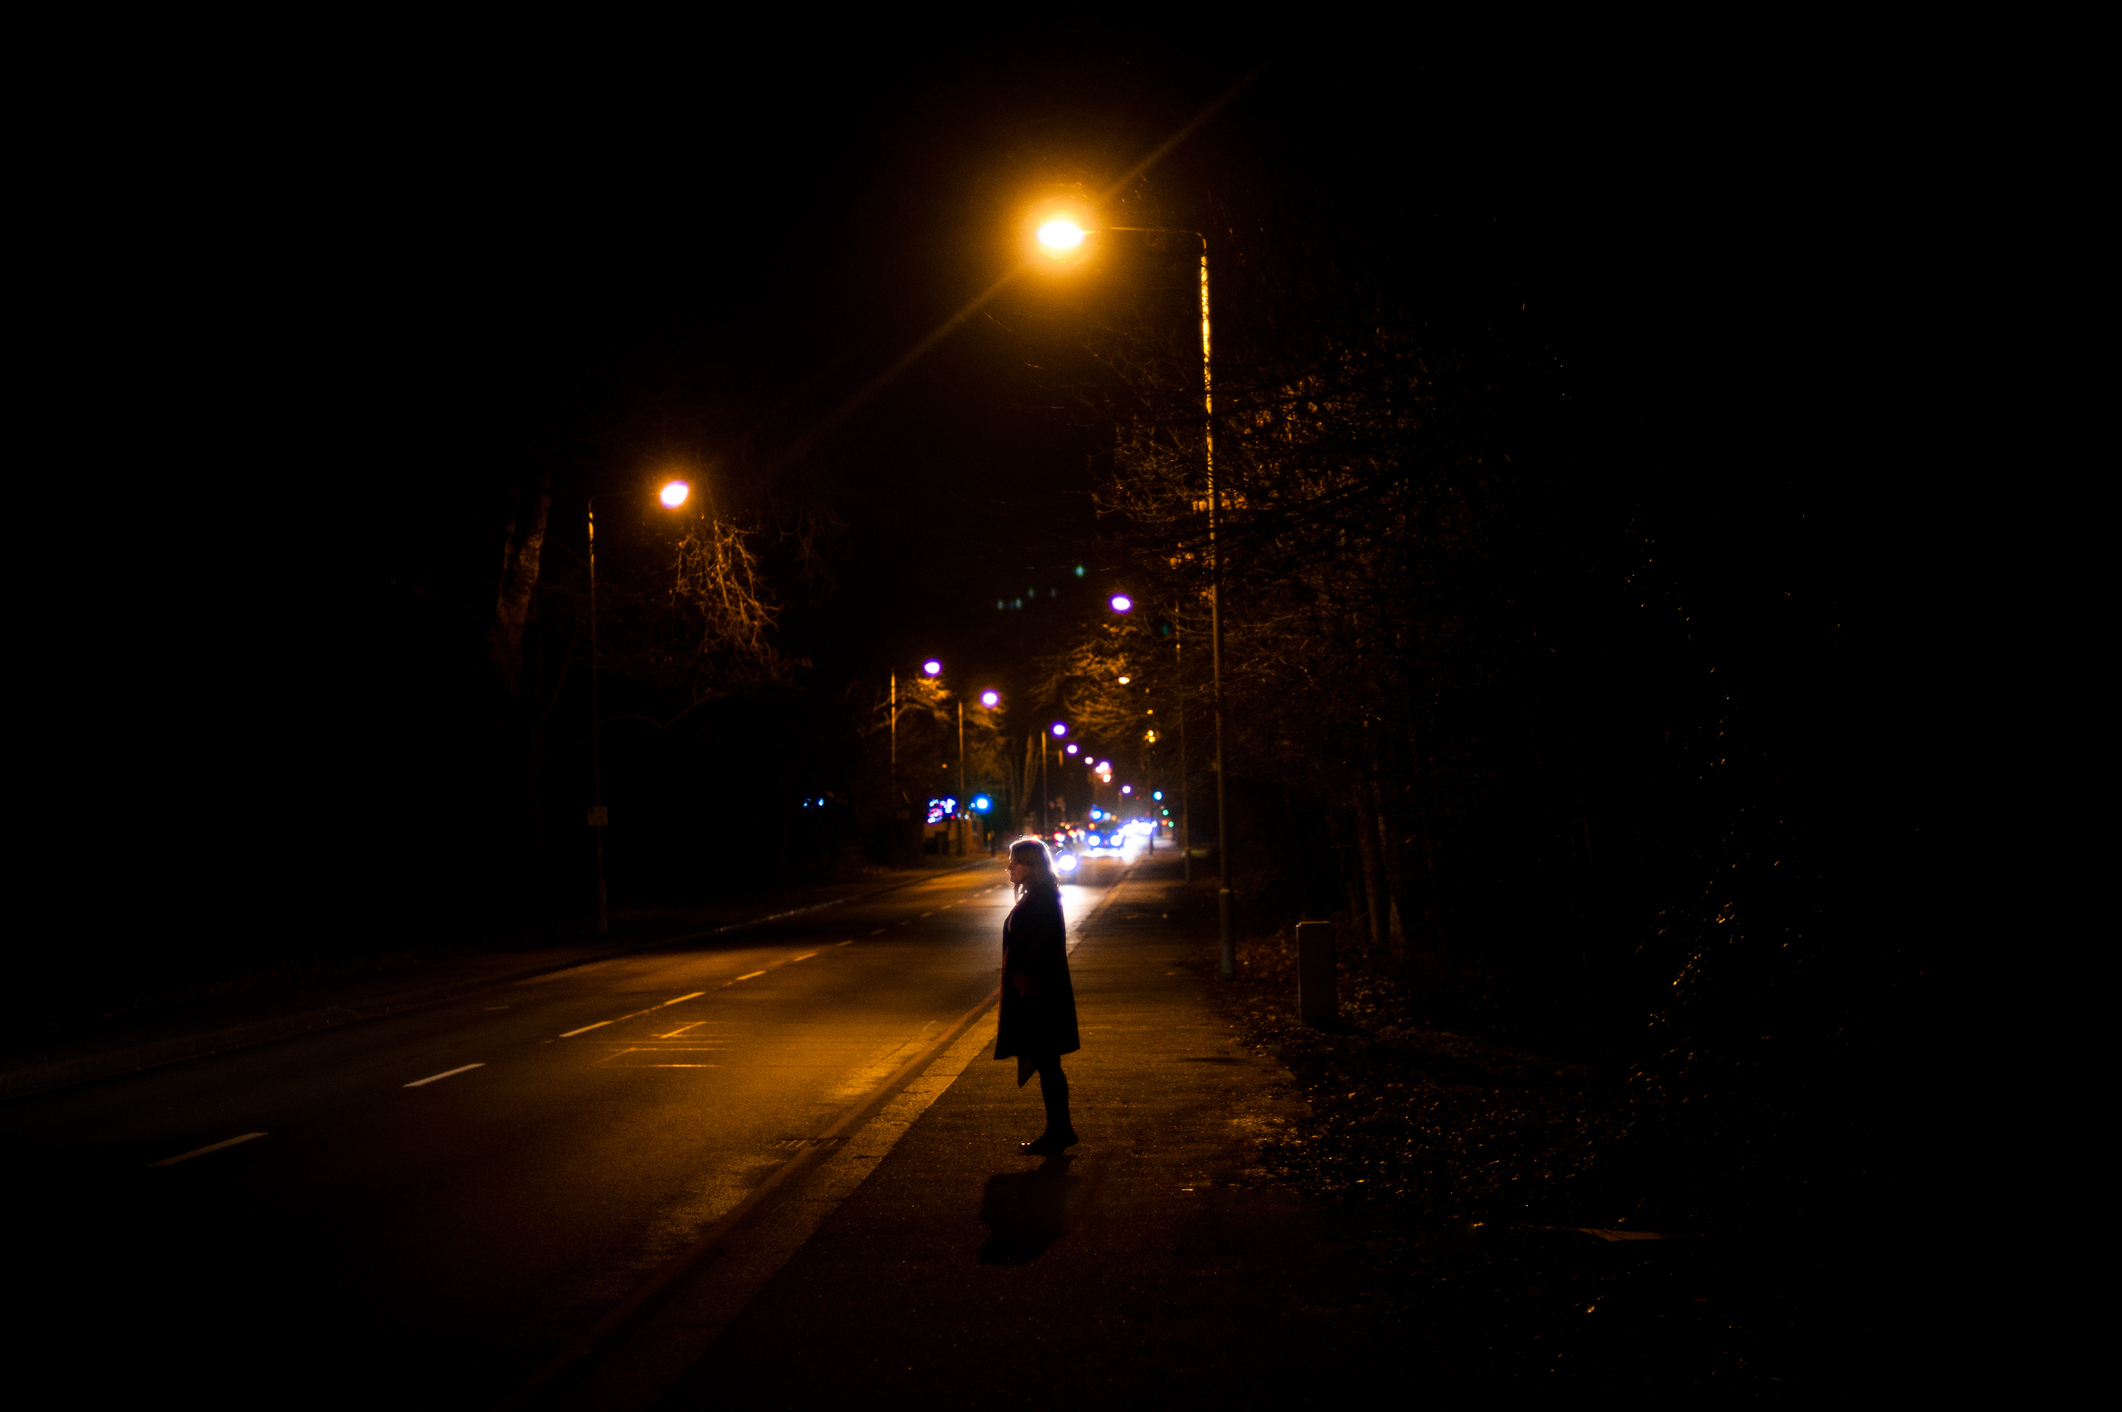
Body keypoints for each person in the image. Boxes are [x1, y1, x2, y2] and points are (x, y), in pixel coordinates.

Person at [997, 837, 1081, 1154]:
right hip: (1038, 993)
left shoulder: (1041, 900)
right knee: (1048, 1065)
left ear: (1032, 867)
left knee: (1048, 1064)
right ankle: (1059, 1130)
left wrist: (1027, 981)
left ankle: (1059, 1132)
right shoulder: (1037, 896)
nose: (1009, 867)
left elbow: (1042, 948)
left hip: (1041, 997)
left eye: (1015, 862)